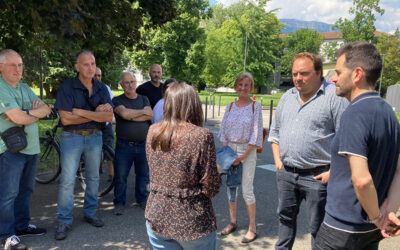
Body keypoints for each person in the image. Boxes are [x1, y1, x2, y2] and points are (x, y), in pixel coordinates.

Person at [314, 42, 400, 250]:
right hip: (370, 231)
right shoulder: (389, 113)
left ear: (357, 74)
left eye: (338, 72)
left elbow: (361, 180)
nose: (333, 78)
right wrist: (389, 209)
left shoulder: (355, 114)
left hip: (342, 230)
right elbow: (398, 170)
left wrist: (377, 216)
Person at [268, 52, 348, 250]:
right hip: (287, 173)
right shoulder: (287, 97)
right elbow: (275, 132)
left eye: (303, 73)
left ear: (319, 73)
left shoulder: (334, 98)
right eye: (295, 74)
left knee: (318, 227)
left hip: (318, 176)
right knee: (285, 219)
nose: (297, 78)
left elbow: (347, 140)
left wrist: (333, 172)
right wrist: (278, 161)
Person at [145, 82, 221, 249]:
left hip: (158, 215)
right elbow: (212, 188)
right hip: (192, 222)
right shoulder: (201, 136)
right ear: (193, 105)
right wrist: (216, 172)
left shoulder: (153, 131)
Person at [54, 50, 113, 240]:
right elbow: (66, 119)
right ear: (77, 67)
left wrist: (79, 111)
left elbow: (108, 117)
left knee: (94, 177)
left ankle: (90, 212)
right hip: (72, 137)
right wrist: (94, 113)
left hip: (95, 137)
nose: (90, 68)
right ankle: (64, 219)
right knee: (68, 180)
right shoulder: (67, 87)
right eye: (86, 64)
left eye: (93, 64)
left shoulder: (102, 88)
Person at [0, 49, 51, 250]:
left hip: (30, 148)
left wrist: (27, 112)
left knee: (26, 191)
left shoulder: (23, 88)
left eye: (20, 65)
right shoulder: (1, 88)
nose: (17, 69)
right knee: (8, 194)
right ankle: (6, 235)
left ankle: (21, 226)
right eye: (12, 65)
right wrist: (31, 114)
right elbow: (18, 119)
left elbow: (46, 108)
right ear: (1, 67)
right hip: (10, 150)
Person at [218, 73, 263, 244]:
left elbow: (256, 133)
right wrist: (228, 153)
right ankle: (233, 221)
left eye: (246, 85)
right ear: (236, 86)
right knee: (231, 189)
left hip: (247, 151)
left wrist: (242, 156)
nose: (243, 88)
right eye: (240, 84)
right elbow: (222, 131)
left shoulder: (255, 107)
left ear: (250, 87)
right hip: (230, 149)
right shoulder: (230, 106)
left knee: (246, 190)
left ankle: (252, 227)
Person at [112, 72, 153, 215]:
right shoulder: (117, 100)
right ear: (122, 85)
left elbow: (150, 114)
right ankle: (119, 203)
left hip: (143, 144)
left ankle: (141, 200)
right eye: (127, 82)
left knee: (142, 175)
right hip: (124, 145)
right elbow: (124, 114)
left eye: (132, 81)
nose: (130, 85)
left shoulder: (144, 98)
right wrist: (140, 114)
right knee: (121, 176)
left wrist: (131, 115)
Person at [94, 67, 114, 180]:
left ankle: (112, 174)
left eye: (99, 75)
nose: (97, 77)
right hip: (91, 125)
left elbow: (110, 105)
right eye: (95, 75)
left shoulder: (106, 88)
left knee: (109, 149)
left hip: (105, 124)